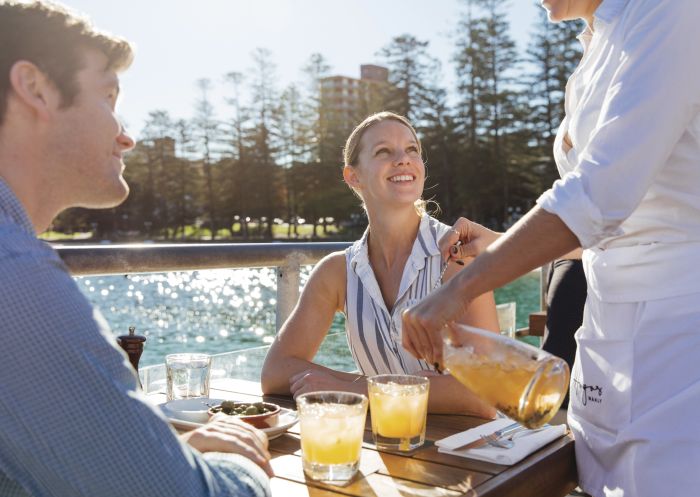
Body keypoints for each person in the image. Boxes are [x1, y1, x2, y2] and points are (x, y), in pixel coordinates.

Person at [402, 0, 700, 496]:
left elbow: (599, 194)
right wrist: (499, 246)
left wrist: (459, 292)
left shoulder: (673, 12)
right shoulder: (597, 45)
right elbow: (615, 226)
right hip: (603, 337)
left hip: (678, 337)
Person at [0, 2, 271, 496]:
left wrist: (159, 443)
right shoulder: (15, 277)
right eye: (108, 96)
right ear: (36, 89)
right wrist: (237, 461)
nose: (126, 136)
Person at [261, 112, 497, 416]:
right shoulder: (337, 273)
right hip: (385, 446)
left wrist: (353, 390)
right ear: (353, 176)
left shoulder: (457, 256)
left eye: (412, 150)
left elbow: (485, 393)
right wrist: (375, 389)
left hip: (473, 451)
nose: (403, 159)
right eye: (384, 151)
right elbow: (275, 372)